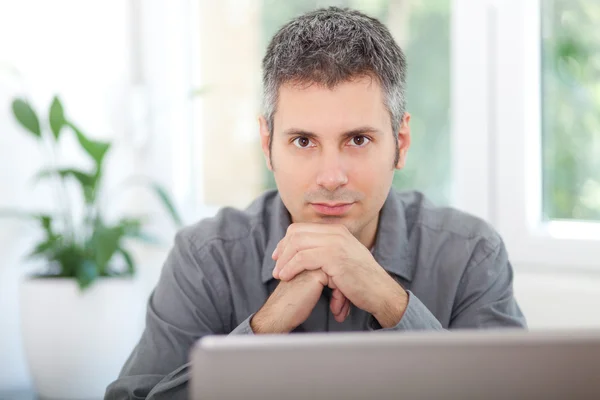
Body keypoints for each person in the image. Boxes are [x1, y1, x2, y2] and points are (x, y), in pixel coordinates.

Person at [105, 6, 526, 400]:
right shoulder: (206, 258)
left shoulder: (471, 253)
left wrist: (390, 302)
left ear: (400, 143)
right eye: (303, 141)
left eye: (358, 140)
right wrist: (264, 327)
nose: (330, 177)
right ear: (268, 145)